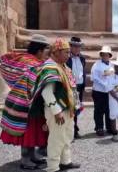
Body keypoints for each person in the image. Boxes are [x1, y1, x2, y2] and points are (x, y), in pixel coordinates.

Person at [0, 34, 49, 170]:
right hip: (26, 103)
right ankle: (26, 159)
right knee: (27, 130)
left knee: (32, 130)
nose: (46, 55)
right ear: (39, 50)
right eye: (45, 51)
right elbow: (34, 81)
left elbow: (5, 59)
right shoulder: (33, 64)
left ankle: (32, 156)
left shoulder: (22, 59)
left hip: (29, 102)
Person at [30, 38, 81, 172]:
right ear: (56, 52)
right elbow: (47, 93)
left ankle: (65, 161)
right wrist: (57, 111)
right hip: (57, 111)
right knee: (56, 139)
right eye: (66, 52)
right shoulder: (50, 67)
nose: (68, 55)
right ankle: (53, 167)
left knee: (67, 136)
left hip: (67, 109)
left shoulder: (63, 67)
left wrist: (74, 105)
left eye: (69, 52)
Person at [66, 37, 86, 139]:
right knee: (70, 109)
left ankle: (75, 129)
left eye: (79, 47)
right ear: (71, 47)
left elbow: (83, 72)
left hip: (79, 86)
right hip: (70, 87)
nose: (78, 49)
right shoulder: (67, 58)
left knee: (77, 108)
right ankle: (70, 130)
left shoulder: (82, 58)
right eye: (75, 47)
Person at [90, 46, 113, 136]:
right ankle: (99, 127)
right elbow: (93, 77)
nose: (105, 56)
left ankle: (109, 127)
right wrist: (104, 84)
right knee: (99, 110)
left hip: (109, 91)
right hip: (98, 91)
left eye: (107, 54)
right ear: (101, 55)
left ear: (109, 55)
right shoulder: (96, 65)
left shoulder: (112, 65)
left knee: (108, 110)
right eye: (103, 54)